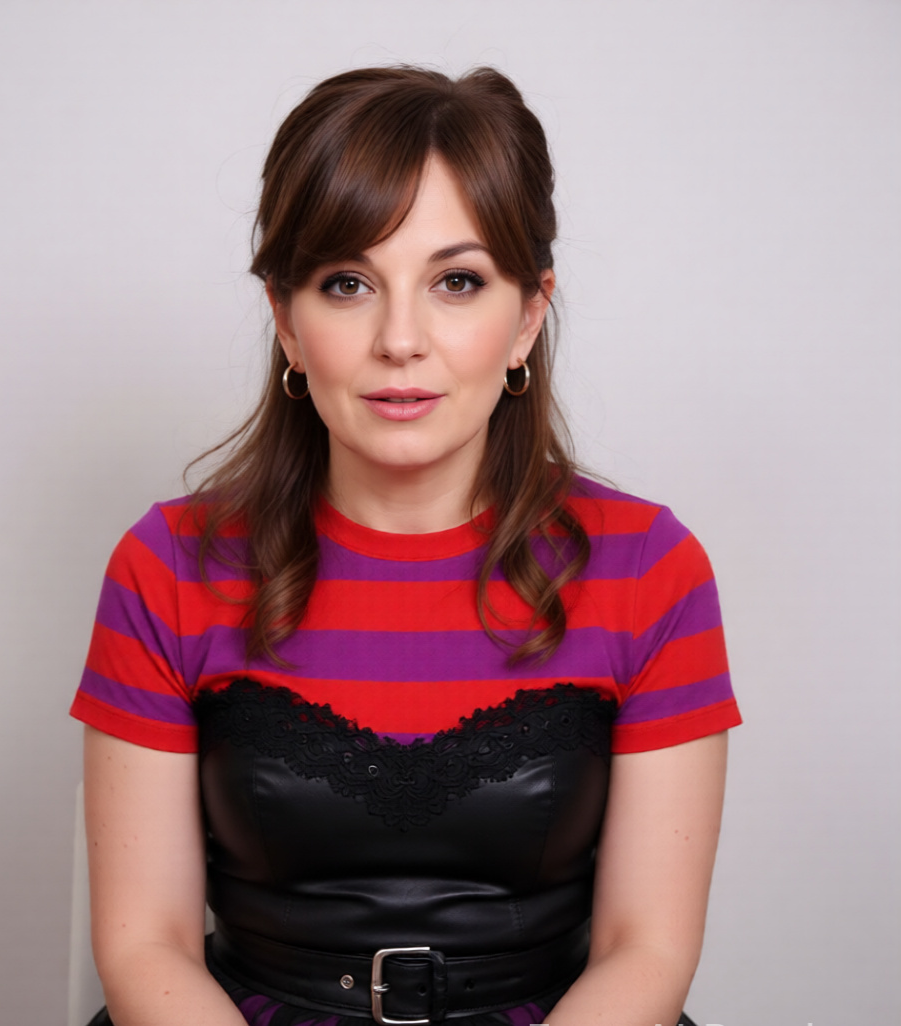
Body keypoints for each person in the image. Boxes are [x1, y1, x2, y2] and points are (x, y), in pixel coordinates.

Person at [71, 66, 741, 1026]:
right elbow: (146, 946)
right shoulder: (167, 564)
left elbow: (649, 950)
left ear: (529, 315)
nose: (400, 339)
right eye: (347, 284)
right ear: (286, 321)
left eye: (456, 282)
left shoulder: (649, 567)